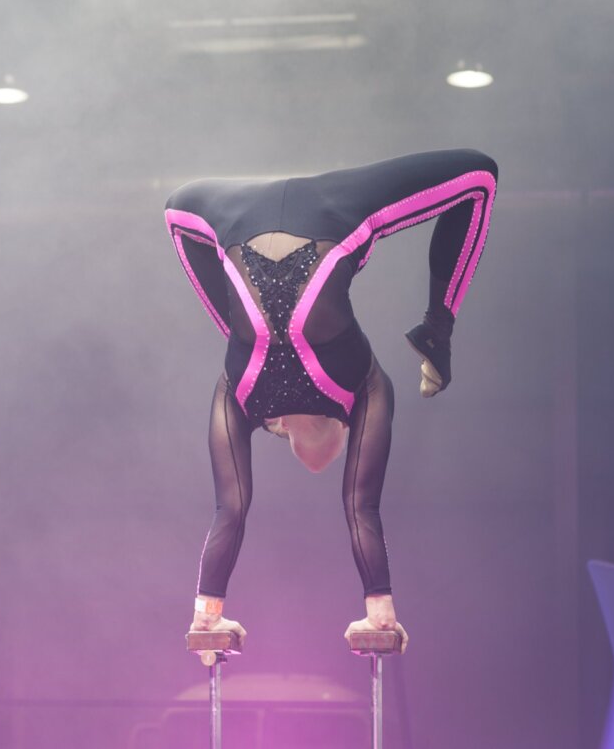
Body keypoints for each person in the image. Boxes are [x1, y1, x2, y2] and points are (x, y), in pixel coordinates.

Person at [165, 149, 499, 653]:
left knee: (478, 177)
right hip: (302, 220)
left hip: (267, 224)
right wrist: (378, 616)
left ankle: (438, 331)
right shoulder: (279, 393)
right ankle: (436, 330)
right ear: (341, 425)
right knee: (478, 176)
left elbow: (235, 509)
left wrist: (206, 619)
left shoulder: (273, 394)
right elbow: (357, 505)